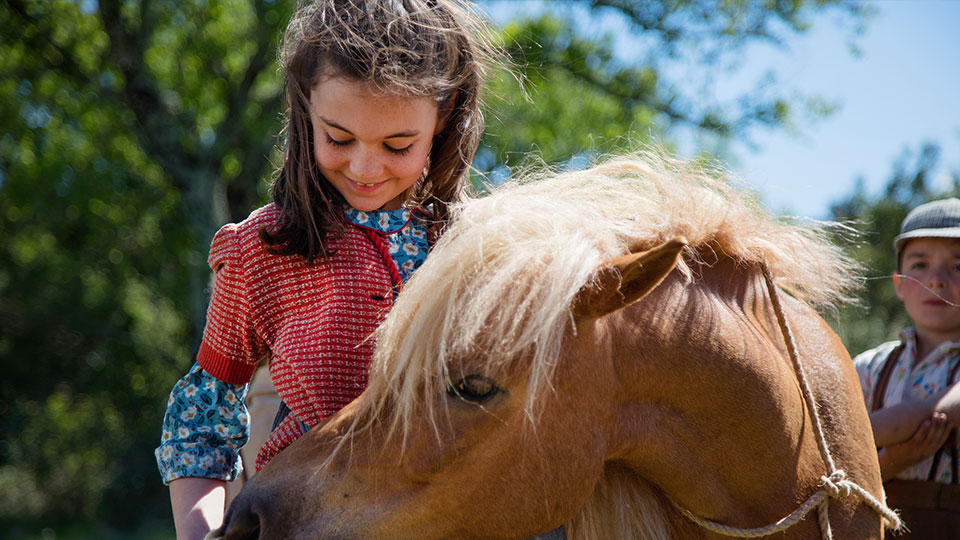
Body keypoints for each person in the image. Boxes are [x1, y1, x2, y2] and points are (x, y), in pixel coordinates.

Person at [155, 1, 497, 538]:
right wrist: (202, 534)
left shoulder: (485, 248)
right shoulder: (260, 250)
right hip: (303, 516)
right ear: (304, 107)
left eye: (397, 145)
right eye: (338, 139)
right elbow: (202, 421)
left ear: (446, 113)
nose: (365, 168)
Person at [853, 197, 960, 538]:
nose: (938, 280)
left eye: (958, 266)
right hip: (878, 525)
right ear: (898, 283)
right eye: (920, 265)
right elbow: (835, 459)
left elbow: (943, 411)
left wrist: (863, 437)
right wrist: (896, 460)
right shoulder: (871, 367)